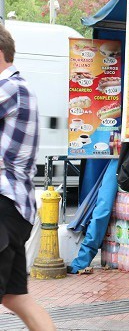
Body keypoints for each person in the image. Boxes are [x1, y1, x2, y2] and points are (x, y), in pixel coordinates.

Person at [0, 23, 56, 330]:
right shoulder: (22, 88)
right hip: (15, 208)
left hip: (4, 204)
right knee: (16, 298)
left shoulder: (10, 88)